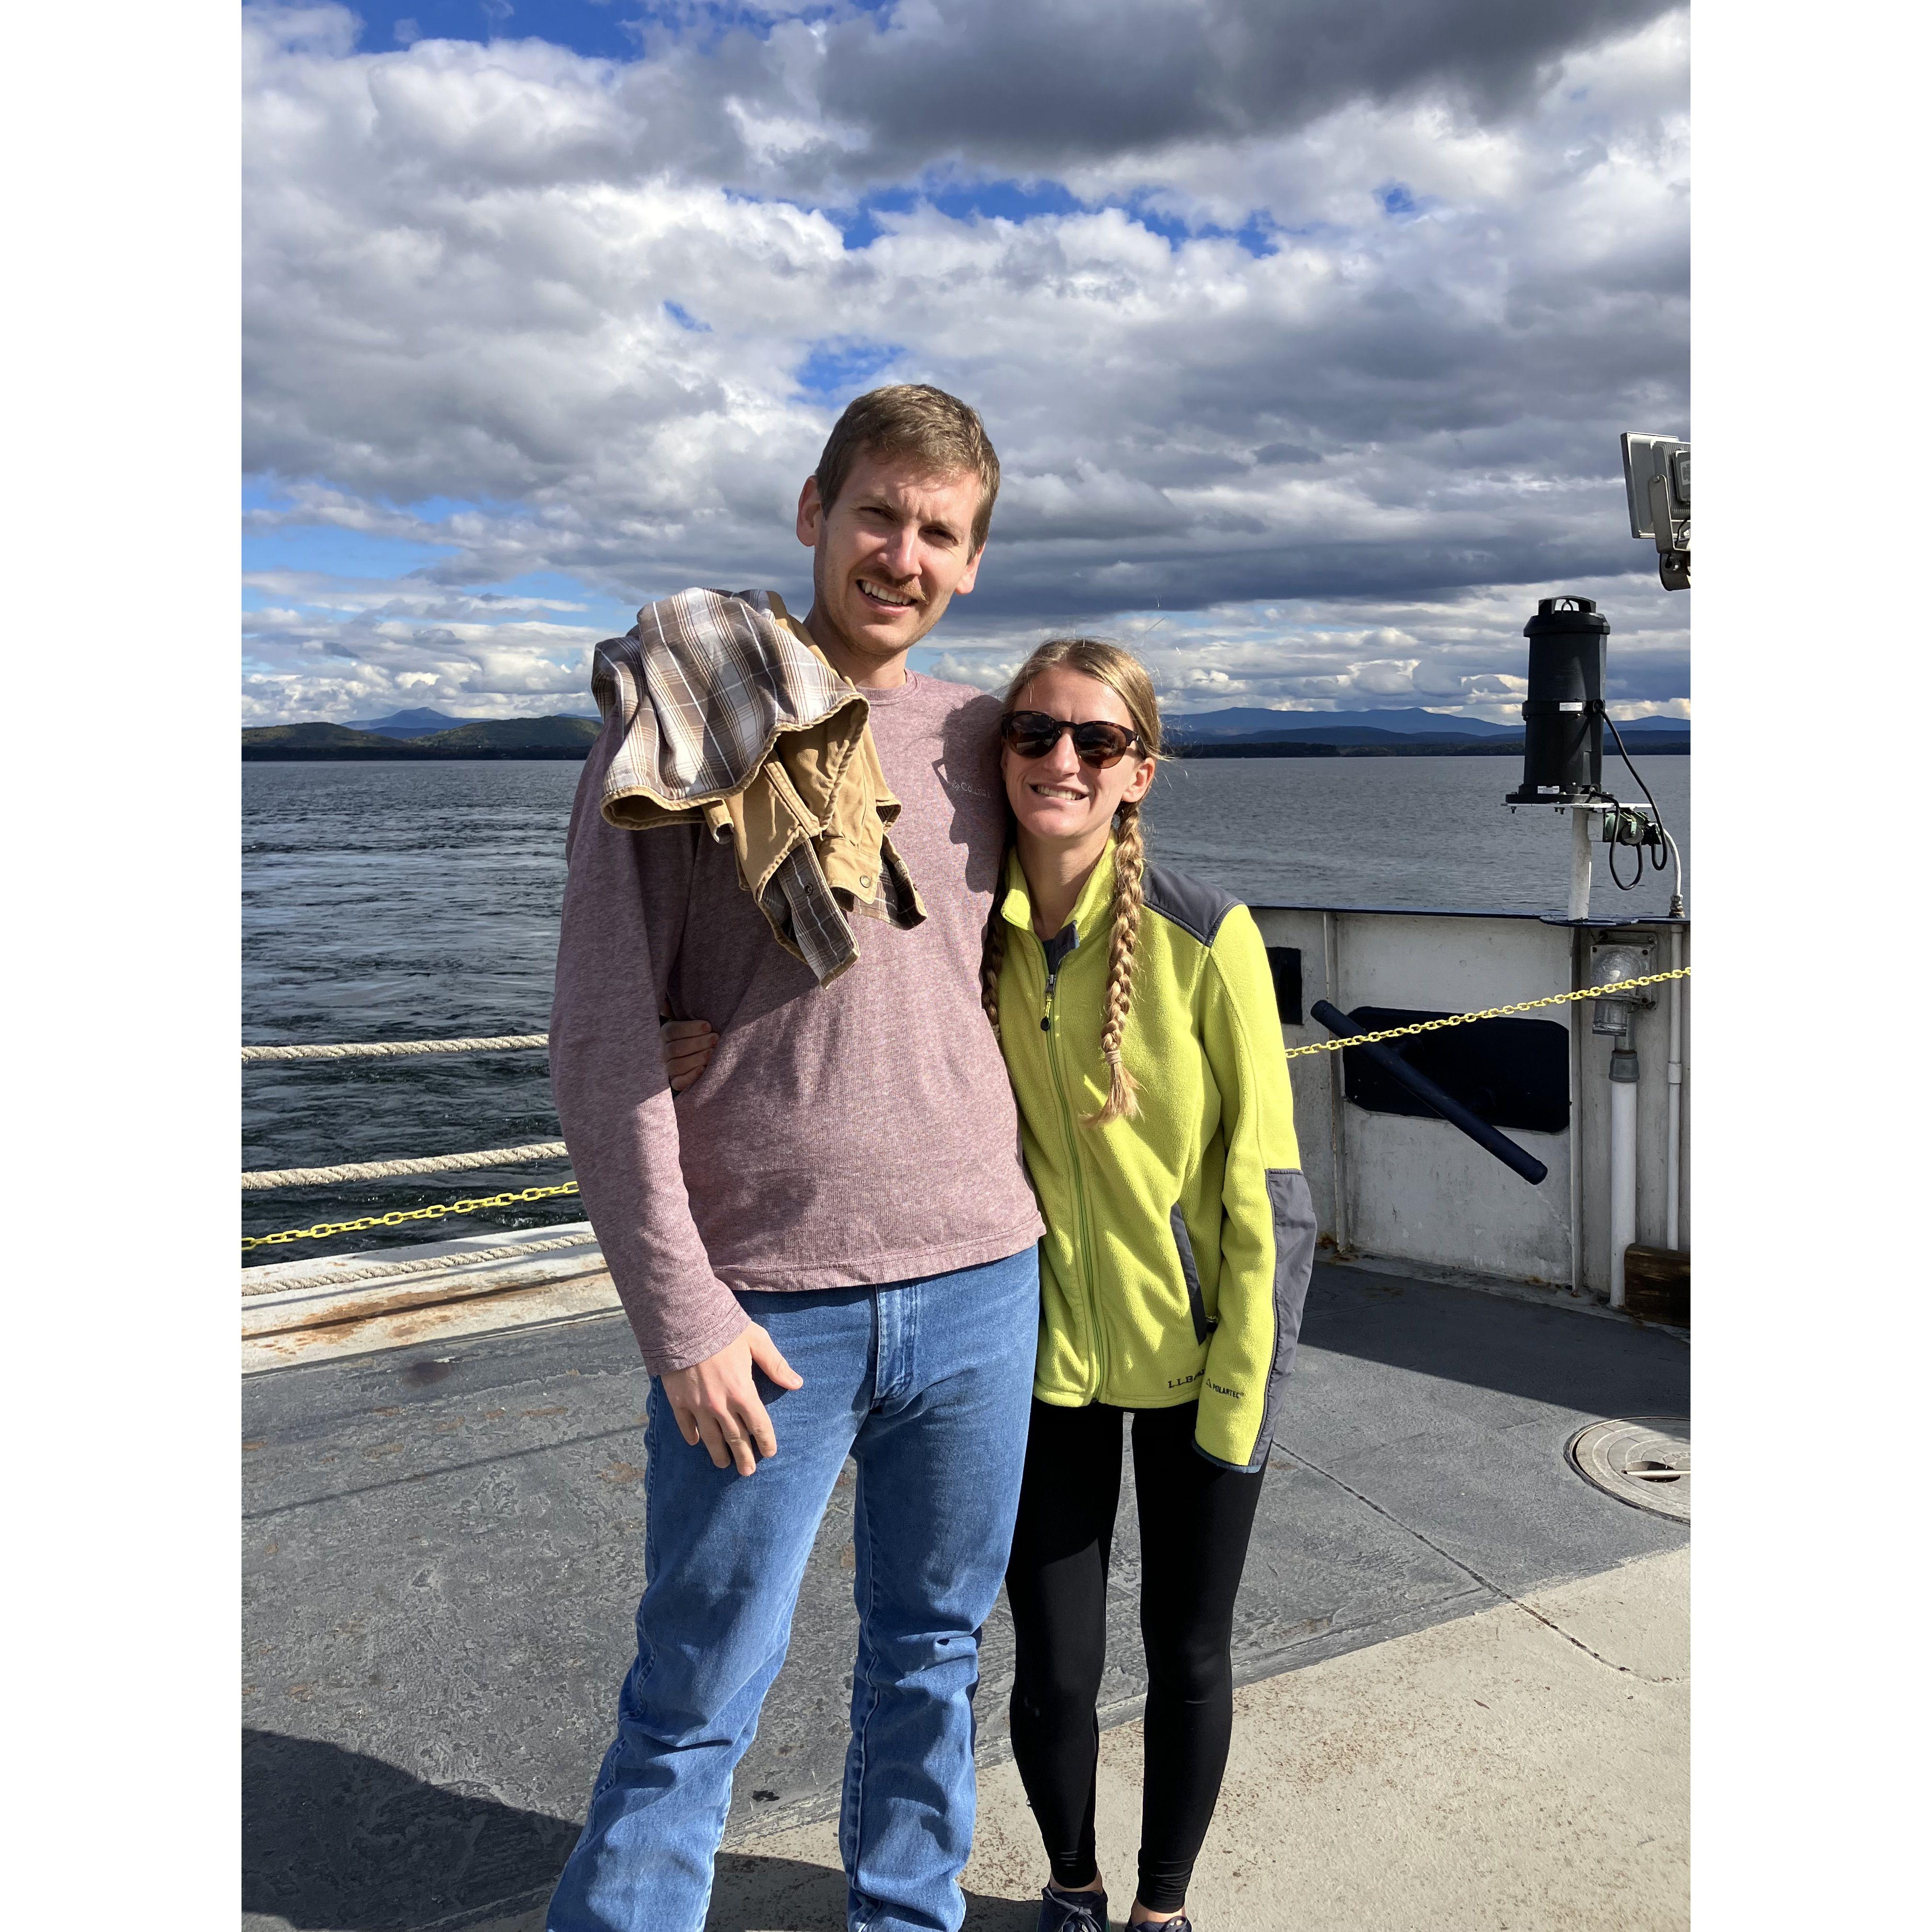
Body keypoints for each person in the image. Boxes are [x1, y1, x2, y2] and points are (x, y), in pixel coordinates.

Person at [672, 638, 1318, 1931]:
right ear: (998, 753)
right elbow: (847, 1000)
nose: (1061, 760)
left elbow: (1269, 1199)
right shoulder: (974, 932)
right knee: (1057, 1666)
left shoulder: (1208, 936)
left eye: (1097, 742)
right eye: (1032, 734)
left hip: (1202, 1369)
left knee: (1189, 1652)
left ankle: (1163, 1910)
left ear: (1142, 772)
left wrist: (1244, 1402)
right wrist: (690, 1031)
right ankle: (1073, 1892)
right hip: (1041, 1367)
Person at [545, 384, 1046, 1932]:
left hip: (979, 1278)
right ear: (814, 511)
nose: (903, 552)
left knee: (933, 1660)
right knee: (696, 1691)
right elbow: (603, 1041)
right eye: (879, 513)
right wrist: (678, 1315)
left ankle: (913, 1914)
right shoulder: (685, 723)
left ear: (972, 562)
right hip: (769, 1307)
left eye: (940, 532)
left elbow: (1087, 909)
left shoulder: (983, 739)